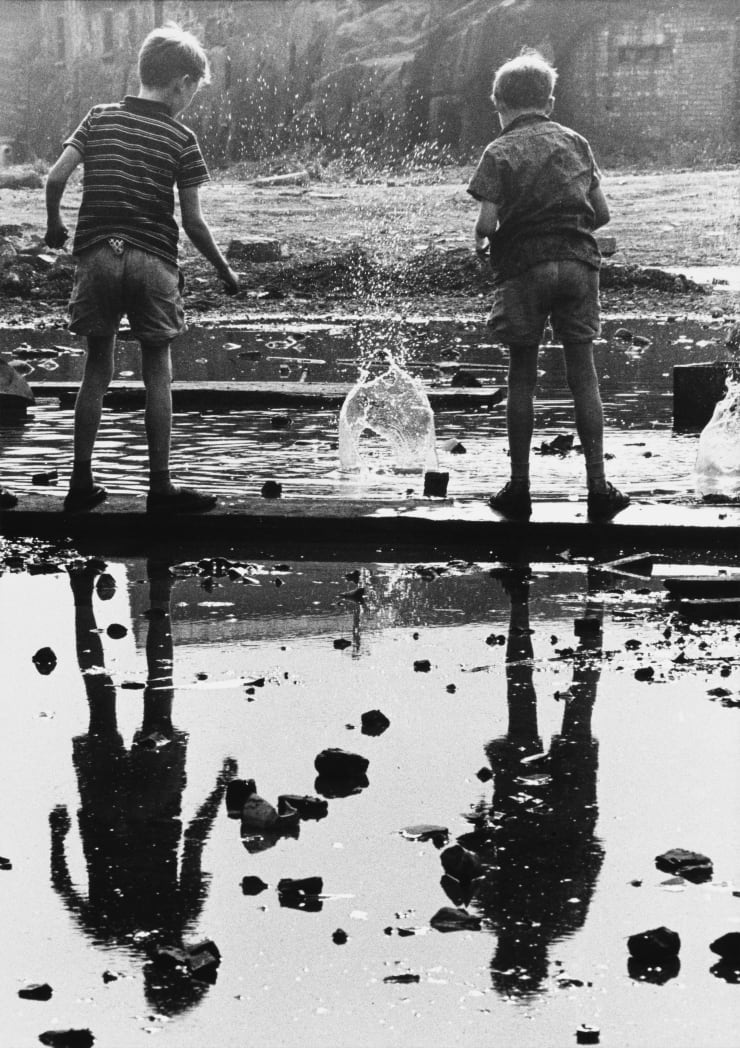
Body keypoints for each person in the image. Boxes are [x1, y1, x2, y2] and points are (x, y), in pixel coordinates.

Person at [44, 24, 239, 513]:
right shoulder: (181, 136)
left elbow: (55, 178)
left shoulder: (98, 117)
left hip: (95, 256)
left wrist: (54, 227)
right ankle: (160, 488)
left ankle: (80, 485)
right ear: (182, 84)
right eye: (194, 88)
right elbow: (193, 222)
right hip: (152, 259)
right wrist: (224, 271)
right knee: (157, 370)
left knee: (97, 369)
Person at [468, 50, 629, 522]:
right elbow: (602, 214)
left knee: (522, 376)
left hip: (525, 269)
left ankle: (519, 488)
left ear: (498, 102)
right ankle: (598, 486)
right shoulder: (576, 142)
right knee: (584, 375)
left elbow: (487, 221)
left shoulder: (498, 152)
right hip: (579, 266)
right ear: (551, 102)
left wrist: (481, 242)